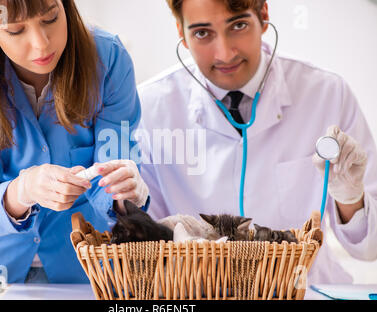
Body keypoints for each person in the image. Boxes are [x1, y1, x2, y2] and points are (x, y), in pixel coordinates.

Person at [137, 0, 377, 285]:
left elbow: (368, 248)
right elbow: (148, 243)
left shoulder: (327, 93)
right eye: (203, 33)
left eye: (238, 25)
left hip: (307, 288)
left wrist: (350, 198)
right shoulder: (149, 108)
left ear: (263, 16)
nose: (225, 53)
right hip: (198, 290)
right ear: (181, 32)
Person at [0, 0, 149, 284]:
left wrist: (126, 193)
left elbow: (117, 166)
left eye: (51, 18)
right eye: (15, 30)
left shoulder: (108, 58)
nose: (41, 44)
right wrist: (22, 190)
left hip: (84, 269)